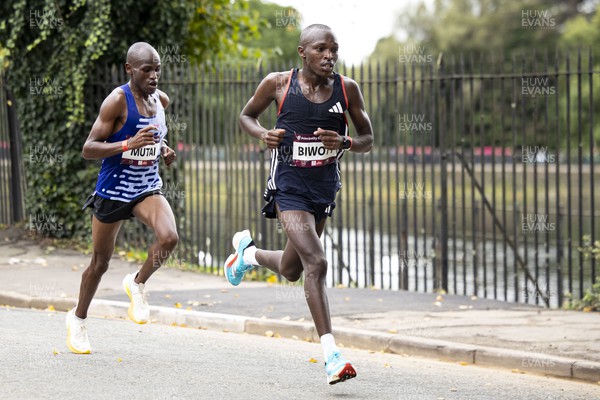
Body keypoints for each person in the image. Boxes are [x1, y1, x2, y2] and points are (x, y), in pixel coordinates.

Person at [227, 24, 373, 384]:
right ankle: (332, 355)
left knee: (293, 269)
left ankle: (246, 256)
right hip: (288, 188)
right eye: (321, 49)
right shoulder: (278, 84)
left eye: (334, 50)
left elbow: (368, 137)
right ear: (302, 52)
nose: (330, 56)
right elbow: (246, 116)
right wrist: (264, 134)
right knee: (317, 261)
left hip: (322, 190)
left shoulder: (346, 88)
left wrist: (345, 141)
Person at [66, 42, 178, 354]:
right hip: (113, 192)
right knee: (100, 262)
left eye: (157, 69)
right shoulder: (117, 100)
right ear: (129, 69)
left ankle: (138, 284)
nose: (154, 75)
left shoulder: (161, 100)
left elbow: (155, 137)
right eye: (147, 70)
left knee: (168, 237)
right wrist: (128, 143)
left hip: (145, 188)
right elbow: (89, 148)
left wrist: (163, 148)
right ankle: (78, 319)